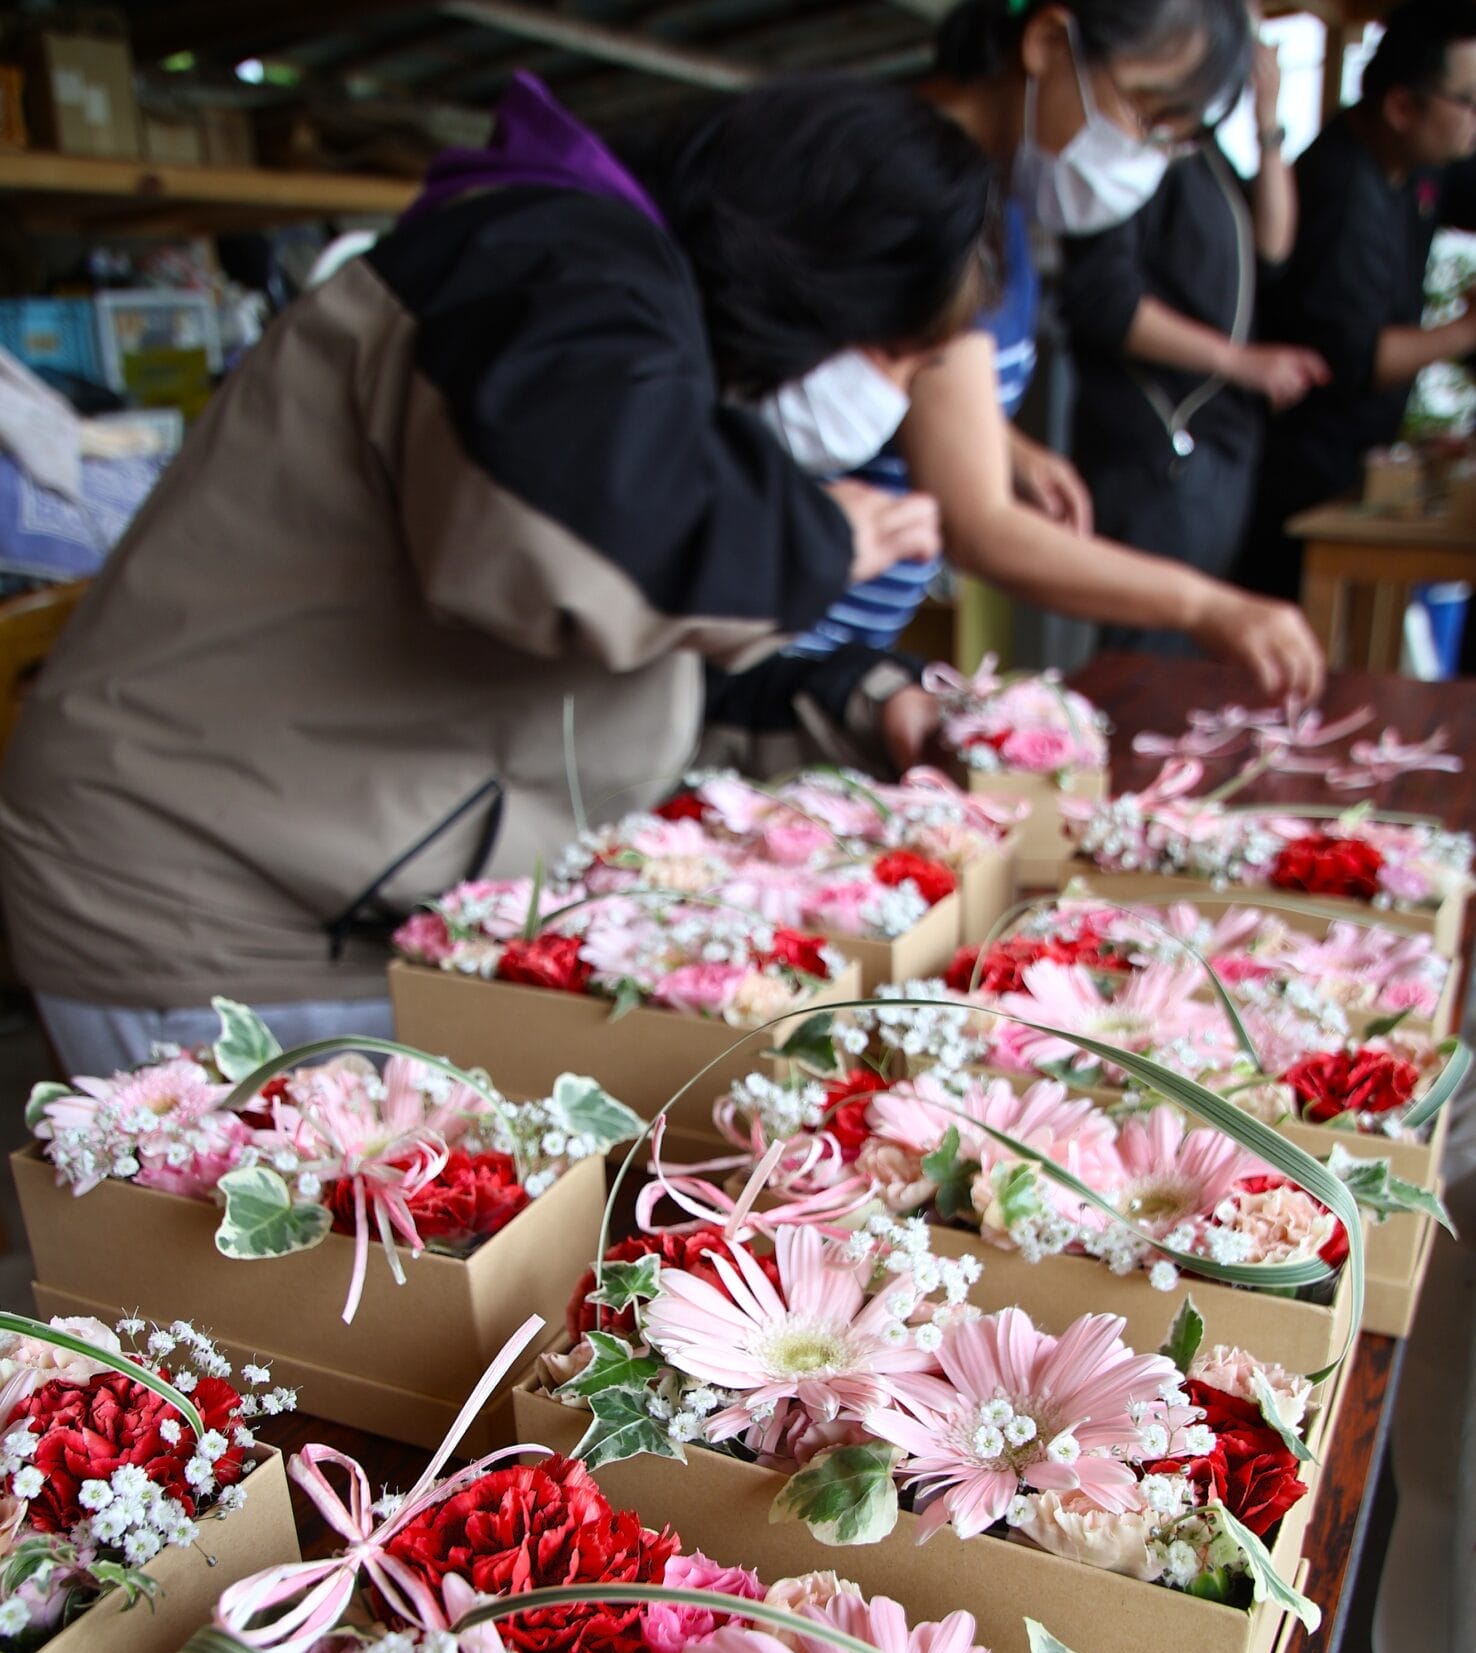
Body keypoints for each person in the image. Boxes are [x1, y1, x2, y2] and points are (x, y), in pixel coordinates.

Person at [0, 72, 998, 1075]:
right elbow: (581, 542)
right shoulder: (548, 272)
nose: (894, 408)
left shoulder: (609, 309)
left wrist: (858, 701)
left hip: (314, 872)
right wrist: (818, 537)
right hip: (213, 909)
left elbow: (633, 666)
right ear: (822, 281)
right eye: (897, 360)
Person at [702, 0, 1324, 777]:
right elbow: (979, 526)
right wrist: (1205, 605)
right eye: (1144, 113)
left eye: (1172, 137)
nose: (1145, 157)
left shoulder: (998, 206)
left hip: (832, 663)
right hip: (759, 666)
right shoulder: (913, 191)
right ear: (1046, 42)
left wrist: (1003, 443)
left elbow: (917, 384)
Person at [1059, 25, 1330, 648]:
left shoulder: (1202, 152)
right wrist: (1239, 362)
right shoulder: (1132, 157)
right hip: (1159, 450)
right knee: (1150, 653)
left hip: (1215, 449)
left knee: (1191, 652)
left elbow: (1274, 246)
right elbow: (1104, 300)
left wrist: (1268, 123)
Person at [1240, 0, 1476, 599]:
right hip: (1303, 482)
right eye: (1468, 101)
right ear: (1402, 106)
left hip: (1352, 461)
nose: (1474, 120)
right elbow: (1359, 359)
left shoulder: (1418, 163)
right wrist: (1466, 330)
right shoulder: (1343, 193)